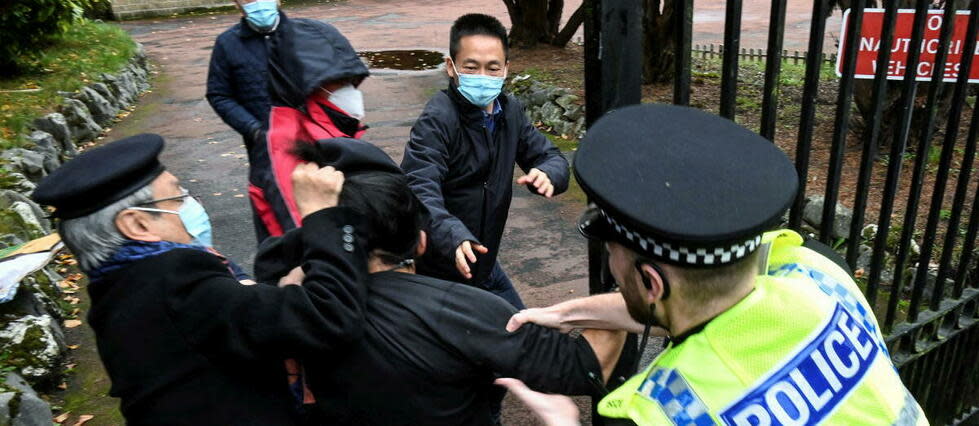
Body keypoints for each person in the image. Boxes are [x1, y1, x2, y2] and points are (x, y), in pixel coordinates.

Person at [502, 104, 928, 425]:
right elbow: (702, 302)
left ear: (651, 282)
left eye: (613, 255)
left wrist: (565, 420)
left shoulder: (656, 412)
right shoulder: (815, 269)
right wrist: (566, 312)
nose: (612, 268)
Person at [255, 138, 626, 426]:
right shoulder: (465, 309)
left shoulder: (292, 303)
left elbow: (271, 261)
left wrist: (324, 230)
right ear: (422, 240)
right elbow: (586, 366)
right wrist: (626, 282)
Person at [31, 133, 369, 425]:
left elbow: (238, 319)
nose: (192, 203)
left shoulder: (121, 284)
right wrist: (324, 216)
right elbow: (327, 316)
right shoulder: (175, 282)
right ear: (136, 225)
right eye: (177, 197)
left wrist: (280, 291)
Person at [401, 13, 570, 310]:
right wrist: (452, 235)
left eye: (492, 68)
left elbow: (550, 156)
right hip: (441, 271)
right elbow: (418, 187)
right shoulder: (438, 118)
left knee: (525, 338)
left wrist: (547, 172)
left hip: (485, 265)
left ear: (506, 69)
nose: (482, 76)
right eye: (471, 67)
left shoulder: (510, 111)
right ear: (451, 67)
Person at [259, 18, 370, 238]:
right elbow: (310, 241)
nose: (349, 89)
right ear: (304, 84)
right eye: (339, 80)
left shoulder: (334, 128)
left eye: (351, 80)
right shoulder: (285, 151)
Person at [206, 0, 285, 243]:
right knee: (274, 222)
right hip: (264, 153)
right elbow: (219, 94)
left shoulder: (306, 35)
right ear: (236, 3)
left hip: (314, 144)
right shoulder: (228, 44)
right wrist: (254, 129)